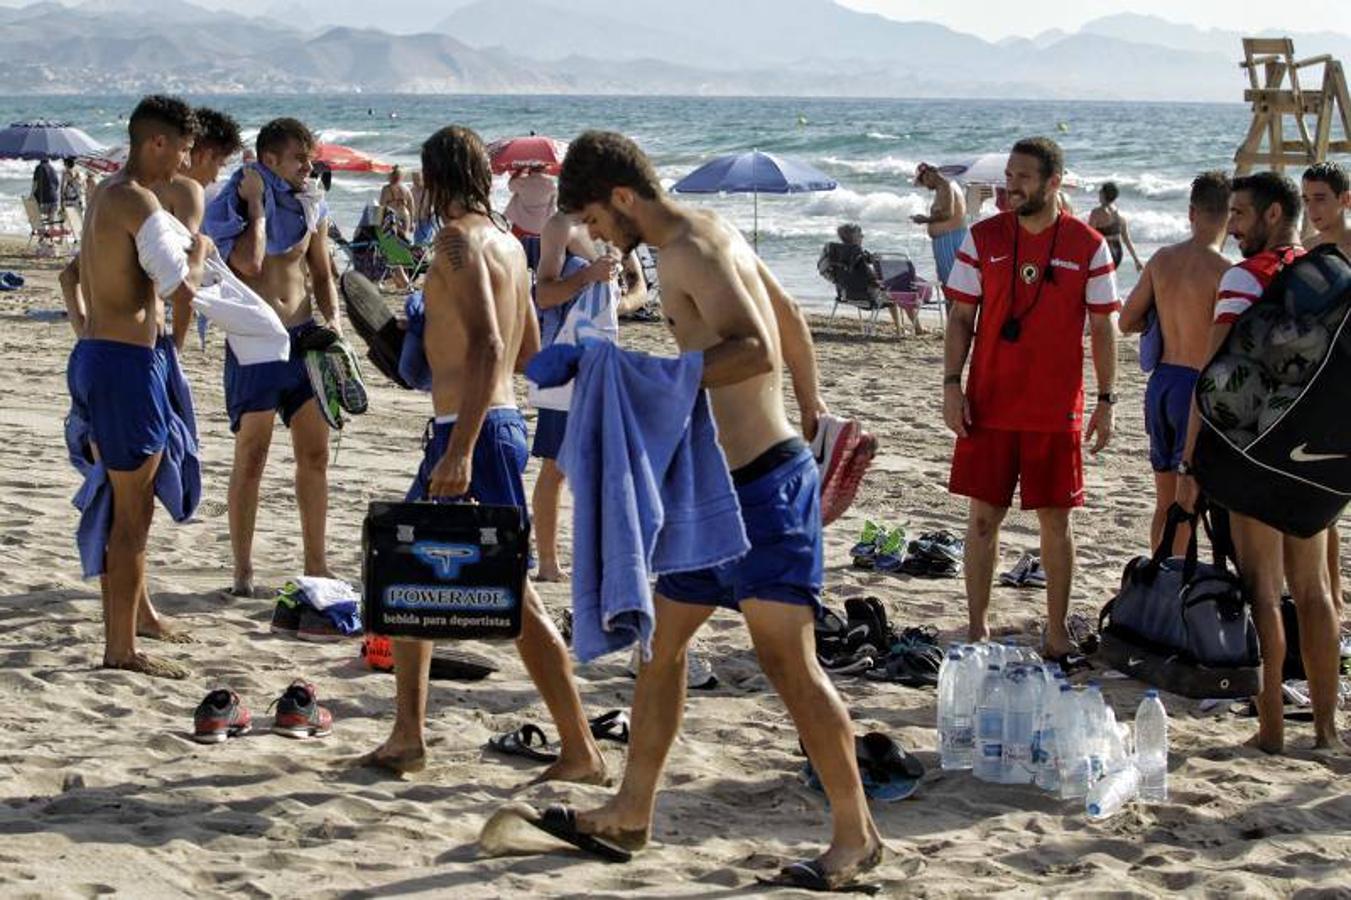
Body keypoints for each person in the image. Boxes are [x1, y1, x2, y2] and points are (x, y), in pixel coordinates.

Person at [555, 131, 881, 891]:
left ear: (624, 198)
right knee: (660, 648)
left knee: (786, 664)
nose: (600, 237)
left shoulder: (690, 252)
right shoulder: (710, 233)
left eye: (598, 221)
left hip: (763, 489)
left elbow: (755, 345)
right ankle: (630, 811)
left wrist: (652, 379)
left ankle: (855, 834)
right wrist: (814, 407)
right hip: (710, 491)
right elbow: (791, 313)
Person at [358, 125, 606, 785]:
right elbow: (525, 354)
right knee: (404, 581)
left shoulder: (454, 240)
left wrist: (458, 449)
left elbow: (494, 348)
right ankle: (407, 736)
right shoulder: (508, 246)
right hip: (493, 422)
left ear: (431, 180)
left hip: (469, 434)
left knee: (513, 593)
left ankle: (581, 750)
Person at [1177, 171, 1343, 754]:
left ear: (1273, 215)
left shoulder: (1246, 279)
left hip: (1254, 457)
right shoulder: (1332, 274)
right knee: (1317, 590)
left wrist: (1189, 464)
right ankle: (1327, 730)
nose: (1235, 227)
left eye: (1242, 215)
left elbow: (1211, 373)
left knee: (1263, 593)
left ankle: (1270, 729)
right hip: (1317, 463)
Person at [942, 137, 1120, 664]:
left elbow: (1104, 325)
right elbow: (959, 319)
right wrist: (951, 385)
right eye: (1009, 175)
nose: (1010, 185)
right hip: (989, 403)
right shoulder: (983, 237)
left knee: (1056, 522)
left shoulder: (1089, 244)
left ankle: (1057, 632)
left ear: (1053, 182)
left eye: (1022, 177)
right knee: (981, 519)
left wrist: (1107, 399)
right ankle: (977, 629)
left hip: (1055, 408)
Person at [66, 95, 209, 677]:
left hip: (100, 356)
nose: (185, 160)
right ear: (155, 142)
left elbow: (74, 273)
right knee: (132, 514)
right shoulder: (138, 199)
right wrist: (199, 251)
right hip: (126, 367)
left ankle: (134, 623)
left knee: (127, 504)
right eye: (182, 148)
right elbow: (180, 285)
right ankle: (121, 648)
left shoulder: (103, 194)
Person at [203, 117, 342, 598]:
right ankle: (243, 569)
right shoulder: (235, 205)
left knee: (315, 455)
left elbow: (322, 273)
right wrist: (257, 205)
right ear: (270, 161)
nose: (309, 167)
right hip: (255, 342)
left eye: (310, 157)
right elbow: (248, 264)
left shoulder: (311, 204)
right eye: (300, 159)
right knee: (253, 456)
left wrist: (336, 324)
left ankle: (316, 564)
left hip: (304, 339)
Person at [1119, 172, 1232, 554]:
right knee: (1190, 505)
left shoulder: (1163, 259)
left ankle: (1157, 576)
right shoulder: (1226, 272)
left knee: (1164, 500)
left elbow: (1125, 321)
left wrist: (1161, 319)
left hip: (1162, 383)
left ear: (1190, 212)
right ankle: (1174, 587)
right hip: (1196, 390)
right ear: (1231, 217)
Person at [1301, 161, 1350, 621]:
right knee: (1324, 503)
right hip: (1322, 387)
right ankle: (1332, 599)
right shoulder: (1309, 253)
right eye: (1307, 199)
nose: (1313, 209)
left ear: (1344, 200)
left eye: (1321, 199)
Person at [912, 162, 968, 313]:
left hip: (948, 239)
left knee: (950, 284)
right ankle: (954, 321)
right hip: (952, 236)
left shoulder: (944, 185)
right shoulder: (950, 184)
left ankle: (954, 323)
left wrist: (925, 219)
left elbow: (946, 214)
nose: (925, 186)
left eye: (924, 182)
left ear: (929, 175)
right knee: (955, 283)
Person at [1088, 181, 1143, 272]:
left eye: (1101, 191)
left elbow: (1089, 237)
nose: (1099, 193)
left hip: (1103, 252)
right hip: (1117, 253)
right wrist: (1136, 260)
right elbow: (1127, 239)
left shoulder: (1096, 213)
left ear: (1105, 195)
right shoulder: (1120, 214)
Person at [505, 164, 557, 239]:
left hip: (521, 225)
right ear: (544, 168)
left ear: (530, 167)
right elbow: (553, 202)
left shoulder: (522, 181)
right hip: (542, 227)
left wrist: (519, 171)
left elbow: (510, 186)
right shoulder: (550, 183)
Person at [378, 165, 414, 239]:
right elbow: (411, 207)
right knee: (405, 237)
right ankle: (406, 249)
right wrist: (412, 222)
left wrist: (380, 221)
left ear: (391, 176)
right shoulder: (406, 189)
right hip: (405, 215)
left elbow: (382, 206)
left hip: (393, 216)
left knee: (393, 238)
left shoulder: (386, 189)